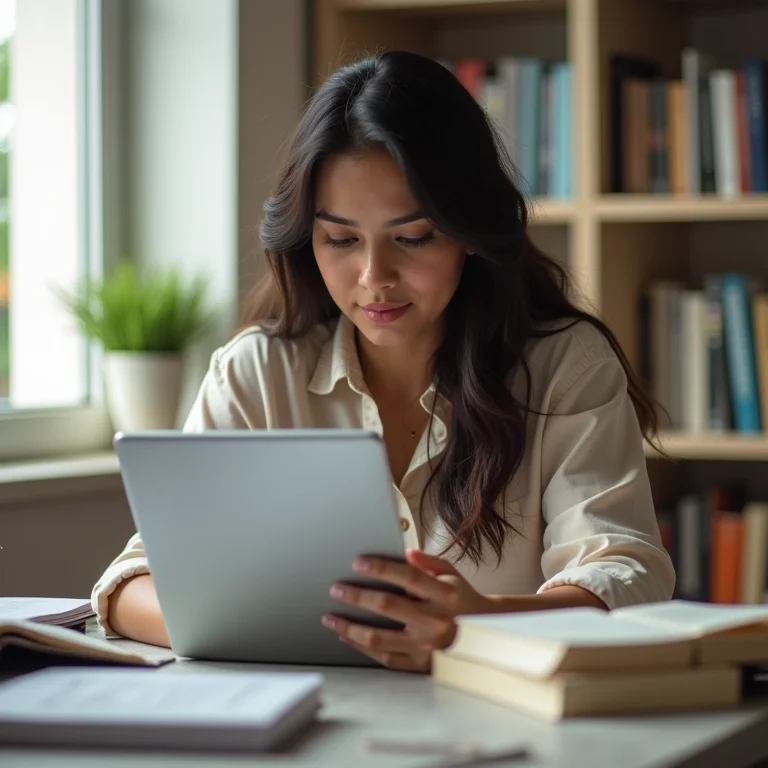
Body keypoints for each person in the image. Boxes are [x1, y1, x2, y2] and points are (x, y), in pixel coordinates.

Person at [92, 50, 675, 673]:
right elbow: (132, 583)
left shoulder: (564, 366)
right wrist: (323, 633)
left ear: (469, 233)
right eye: (340, 240)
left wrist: (474, 624)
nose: (374, 278)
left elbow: (626, 572)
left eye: (413, 237)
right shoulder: (255, 374)